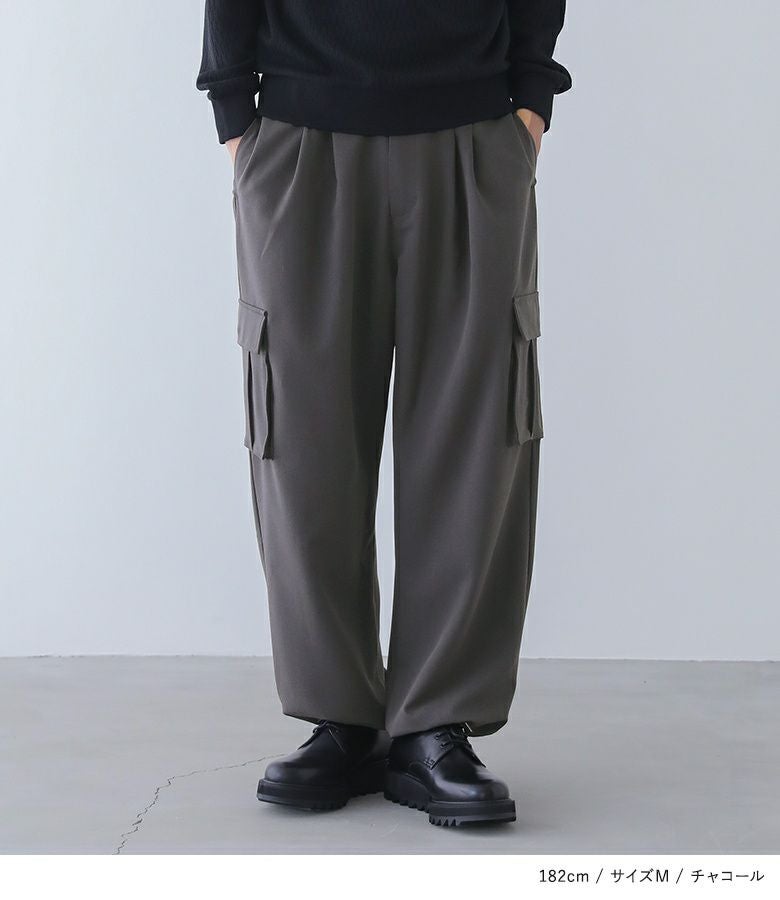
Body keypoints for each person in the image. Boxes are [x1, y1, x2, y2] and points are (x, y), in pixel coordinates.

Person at [196, 0, 571, 828]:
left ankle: (437, 721)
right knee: (302, 439)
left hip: (474, 132)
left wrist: (530, 103)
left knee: (475, 437)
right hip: (298, 137)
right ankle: (342, 716)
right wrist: (233, 111)